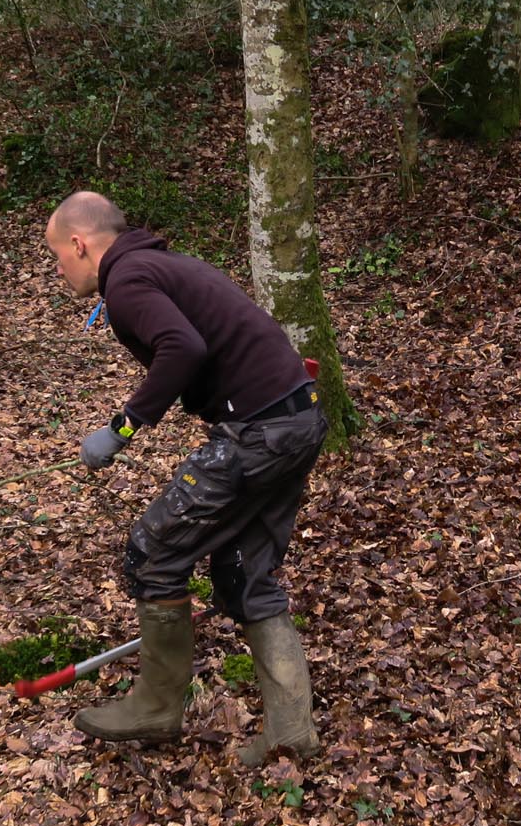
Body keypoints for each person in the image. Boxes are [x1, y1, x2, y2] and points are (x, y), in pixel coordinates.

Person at [43, 191, 326, 766]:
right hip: (296, 418)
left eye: (57, 257)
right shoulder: (161, 265)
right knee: (244, 570)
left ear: (79, 243)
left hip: (259, 433)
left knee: (154, 552)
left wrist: (122, 428)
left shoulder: (127, 282)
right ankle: (291, 729)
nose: (58, 270)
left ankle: (155, 704)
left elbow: (183, 348)